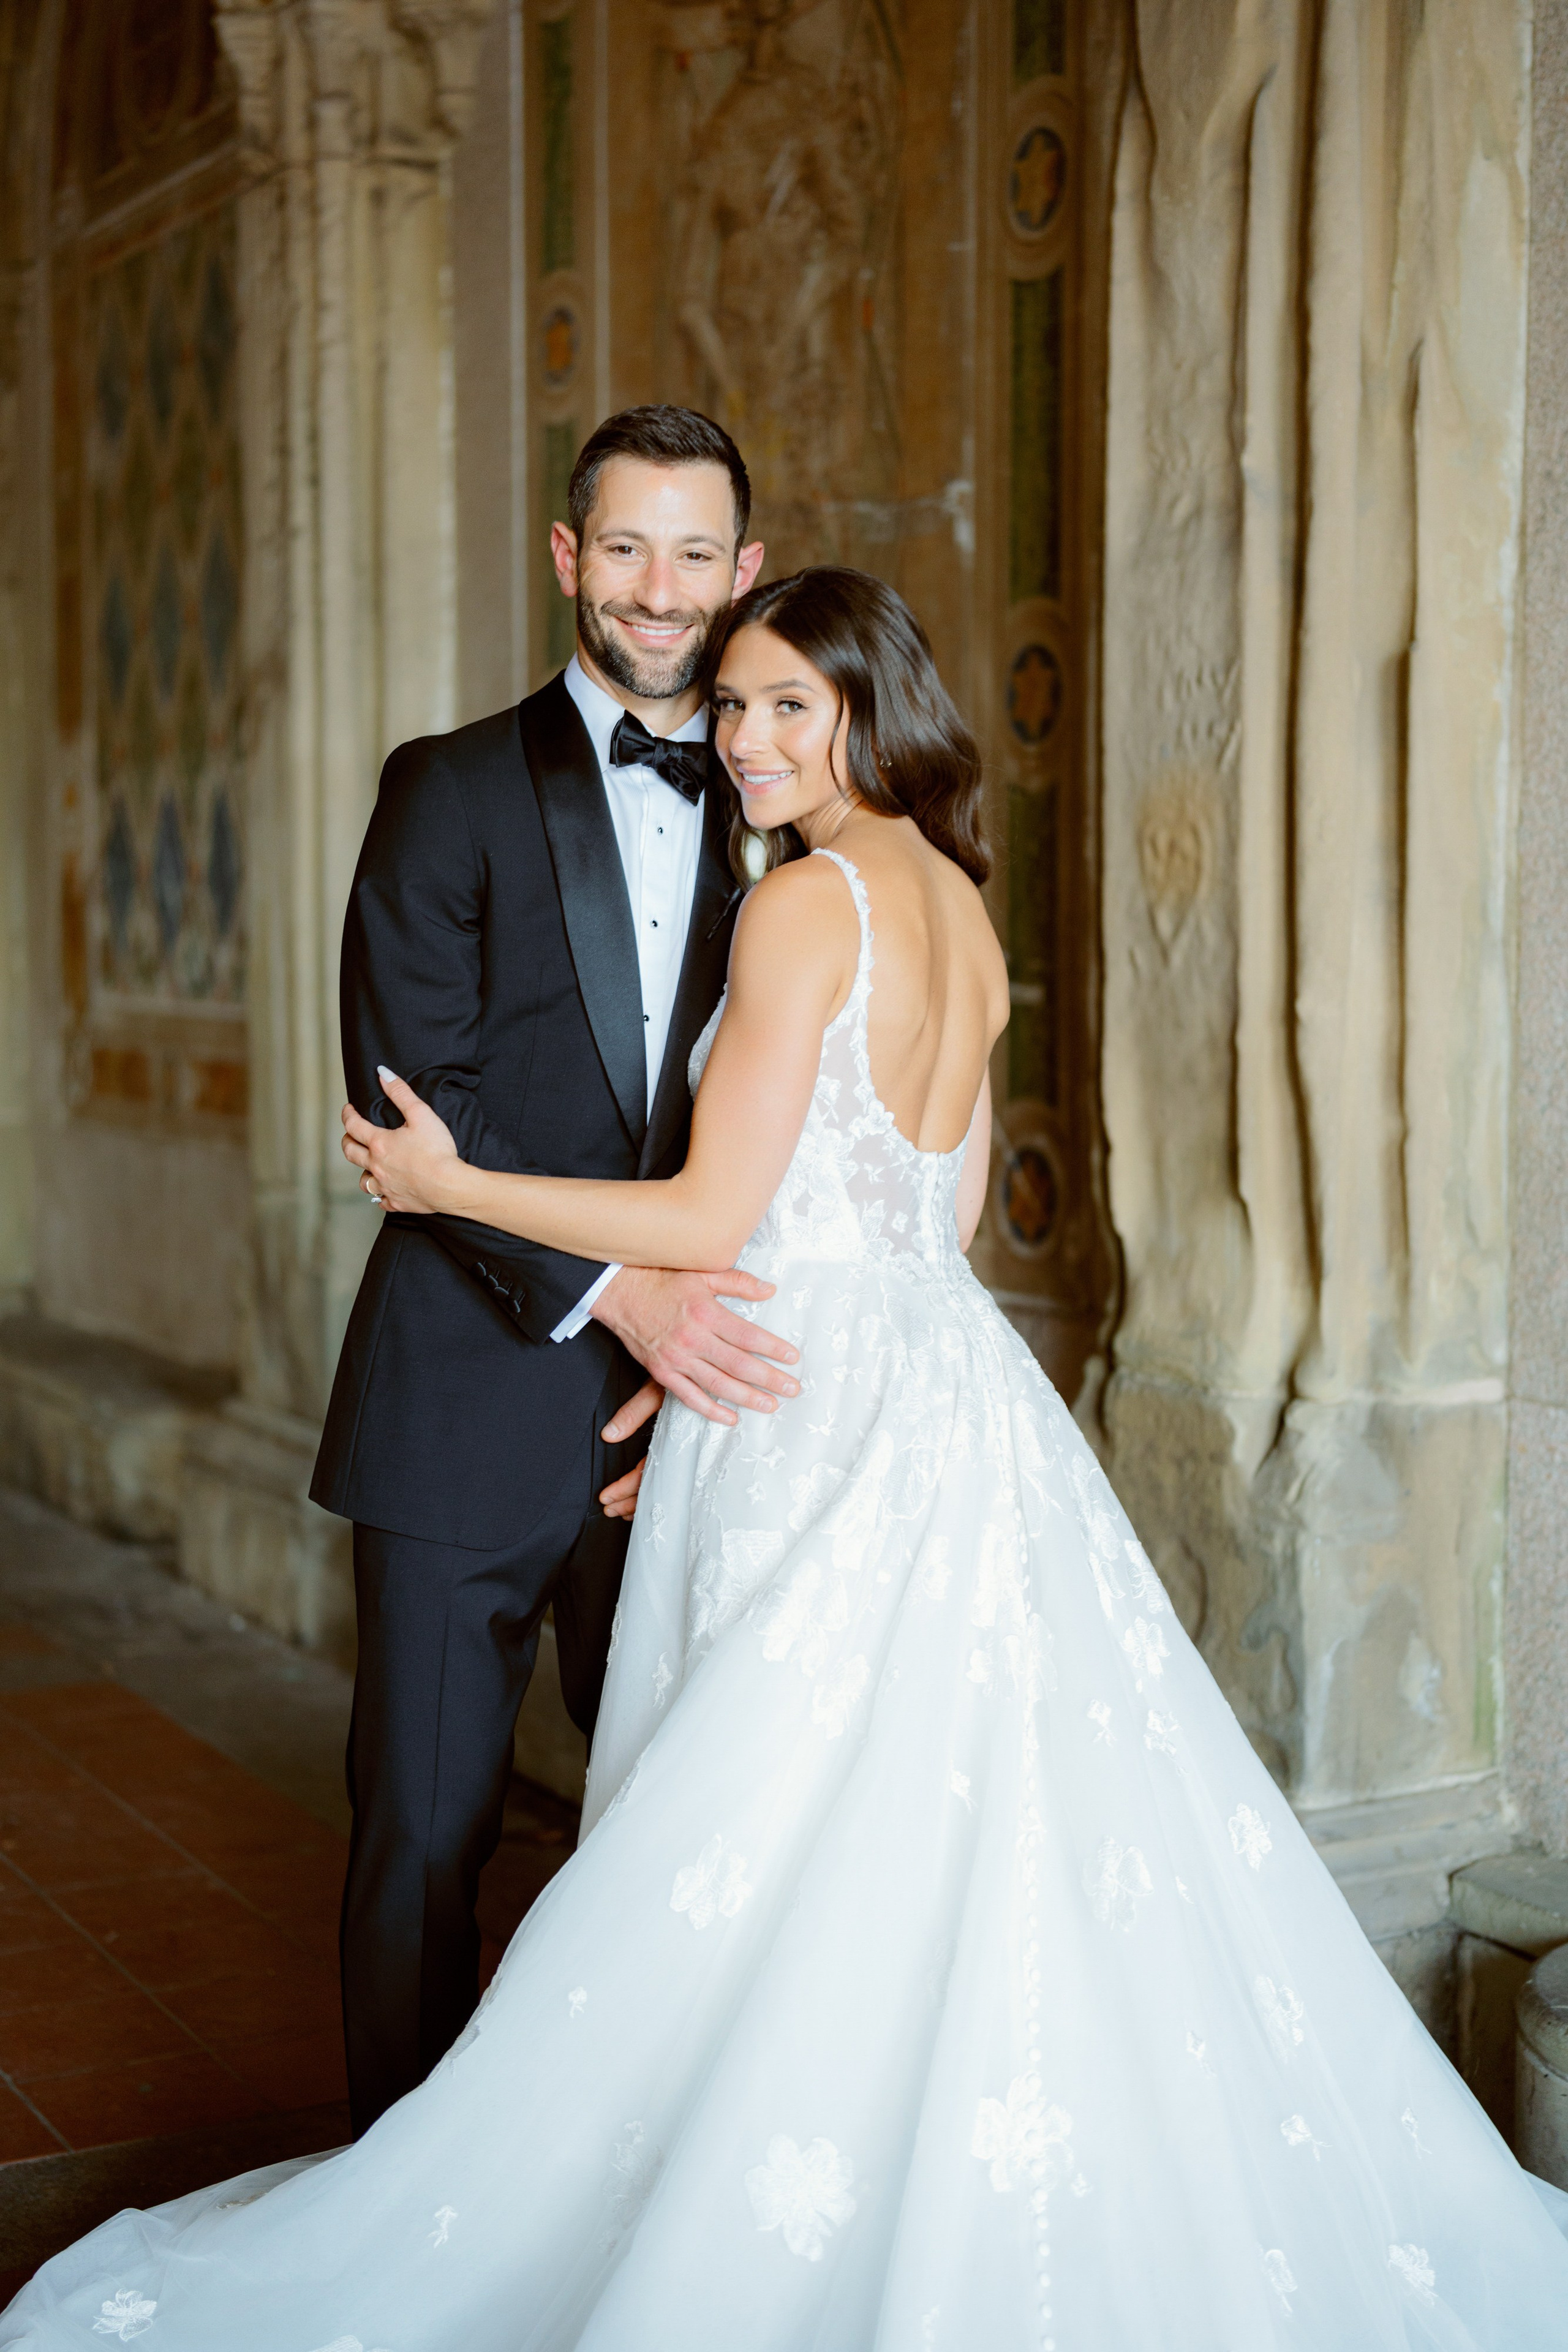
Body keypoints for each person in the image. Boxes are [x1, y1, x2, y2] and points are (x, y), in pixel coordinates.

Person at [6, 568, 1568, 2348]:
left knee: (764, 1828)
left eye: (786, 710)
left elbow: (705, 1214)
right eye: (734, 706)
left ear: (867, 713)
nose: (744, 741)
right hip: (946, 1399)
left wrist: (454, 1183)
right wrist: (737, 1348)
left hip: (807, 1421)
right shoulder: (961, 909)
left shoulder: (806, 906)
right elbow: (938, 1226)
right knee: (944, 1824)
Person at [306, 404, 801, 2136]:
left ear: (744, 569)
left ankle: (618, 2204)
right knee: (424, 1838)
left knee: (679, 1835)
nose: (659, 591)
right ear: (566, 554)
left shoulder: (789, 806)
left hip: (701, 1411)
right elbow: (411, 1100)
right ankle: (397, 2206)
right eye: (626, 547)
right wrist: (623, 1296)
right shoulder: (444, 788)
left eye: (695, 553)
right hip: (463, 1398)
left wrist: (694, 1338)